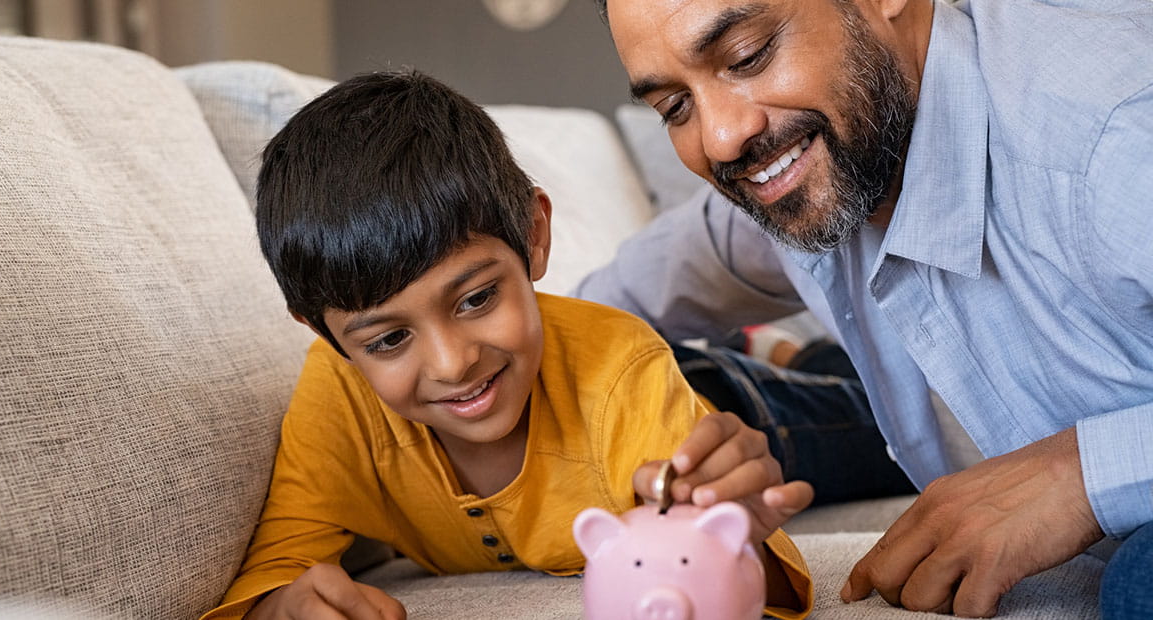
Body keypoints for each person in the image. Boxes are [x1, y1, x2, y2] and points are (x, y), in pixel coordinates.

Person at [587, 0, 1153, 617]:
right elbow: (582, 318)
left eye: (748, 56)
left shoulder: (1118, 132)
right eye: (676, 108)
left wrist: (1078, 473)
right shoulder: (789, 177)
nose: (721, 138)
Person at [198, 69, 816, 620]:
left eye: (476, 300)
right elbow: (280, 561)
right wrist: (280, 606)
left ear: (534, 233)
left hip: (720, 401)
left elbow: (749, 565)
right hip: (668, 374)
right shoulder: (338, 396)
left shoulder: (621, 369)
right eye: (389, 339)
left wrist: (734, 540)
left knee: (847, 415)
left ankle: (791, 357)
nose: (453, 362)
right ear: (326, 336)